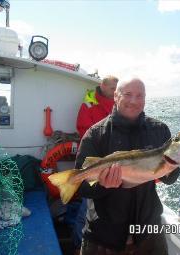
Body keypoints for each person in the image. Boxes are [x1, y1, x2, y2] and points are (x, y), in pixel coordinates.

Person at [75, 78, 180, 255]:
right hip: (104, 235)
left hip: (148, 231)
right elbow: (81, 187)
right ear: (116, 96)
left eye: (140, 96)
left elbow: (170, 179)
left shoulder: (159, 130)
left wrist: (172, 165)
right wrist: (103, 185)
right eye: (128, 94)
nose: (134, 101)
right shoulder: (95, 134)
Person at [70, 75, 118, 254]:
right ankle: (77, 245)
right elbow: (83, 128)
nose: (115, 92)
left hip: (113, 161)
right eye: (112, 88)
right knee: (86, 207)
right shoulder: (90, 103)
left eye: (116, 89)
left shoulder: (117, 103)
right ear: (102, 86)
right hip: (95, 157)